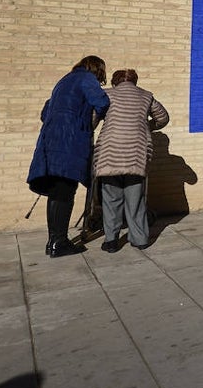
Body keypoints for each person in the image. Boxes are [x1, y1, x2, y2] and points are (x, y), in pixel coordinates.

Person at [27, 56, 109, 257]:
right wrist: (88, 123)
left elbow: (45, 112)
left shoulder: (64, 81)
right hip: (69, 142)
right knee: (65, 191)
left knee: (57, 192)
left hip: (50, 142)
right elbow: (102, 102)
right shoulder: (86, 79)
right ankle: (59, 242)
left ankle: (53, 241)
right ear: (97, 69)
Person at [92, 69, 170, 252]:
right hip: (137, 153)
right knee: (135, 199)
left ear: (114, 82)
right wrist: (146, 126)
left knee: (111, 199)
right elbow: (163, 118)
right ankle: (140, 238)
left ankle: (111, 240)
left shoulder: (106, 95)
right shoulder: (146, 96)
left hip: (109, 153)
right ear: (135, 81)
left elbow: (92, 119)